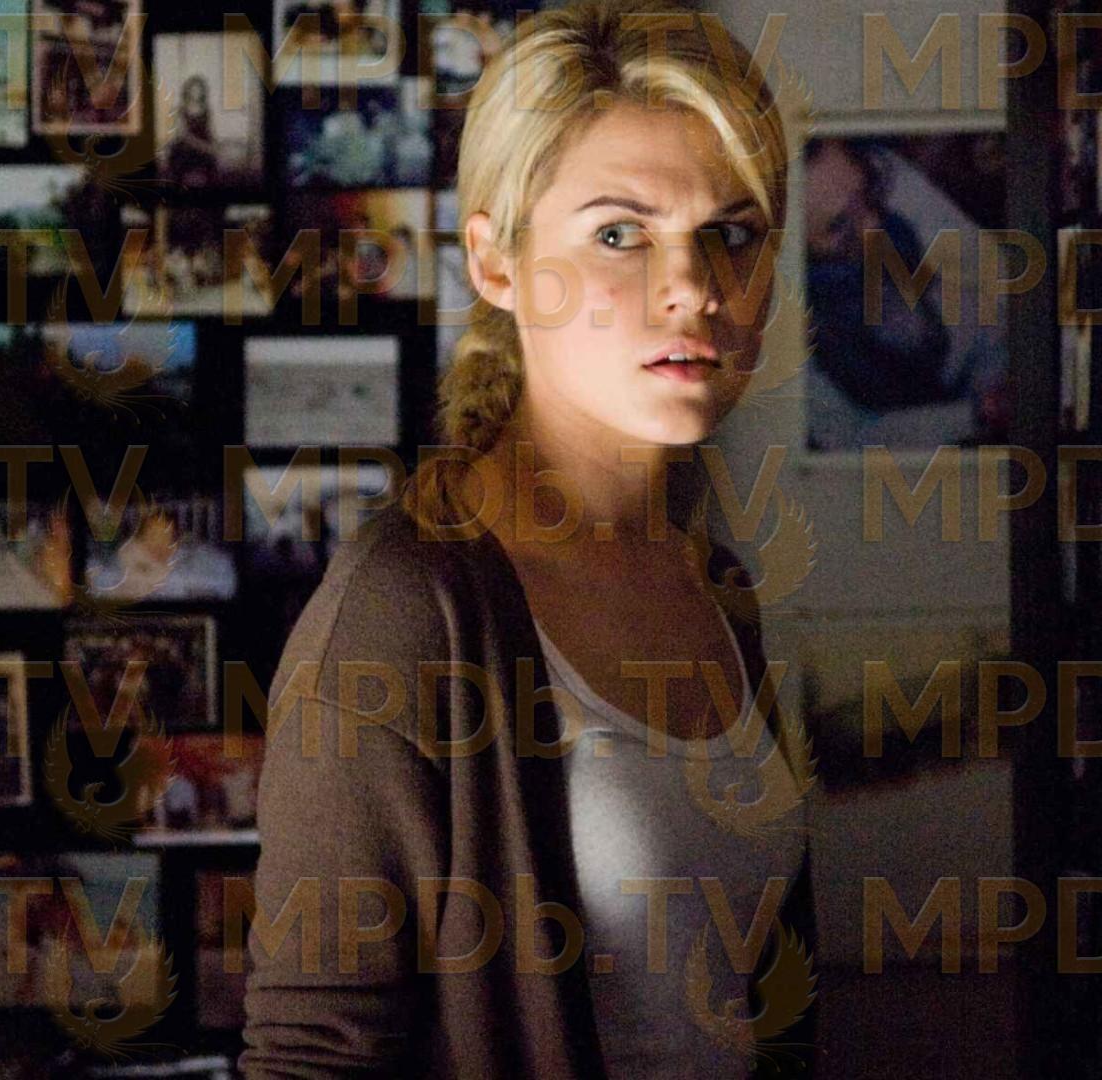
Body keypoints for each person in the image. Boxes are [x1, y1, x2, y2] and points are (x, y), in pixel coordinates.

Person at [240, 3, 816, 1077]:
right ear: (496, 263)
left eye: (733, 233)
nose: (694, 288)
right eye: (619, 234)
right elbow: (311, 1057)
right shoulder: (405, 612)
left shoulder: (712, 583)